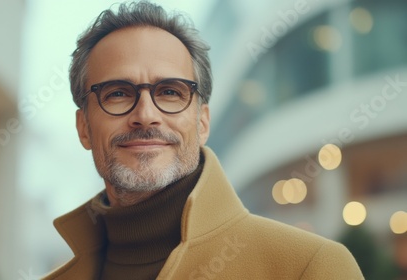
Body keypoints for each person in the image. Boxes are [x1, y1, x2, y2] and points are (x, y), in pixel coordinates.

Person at [43, 1, 363, 279]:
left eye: (169, 92)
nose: (145, 114)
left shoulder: (311, 269)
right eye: (116, 94)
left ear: (203, 122)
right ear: (83, 127)